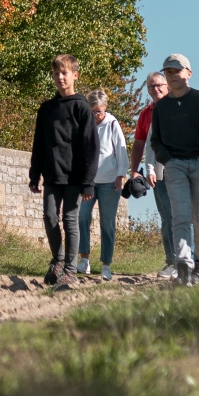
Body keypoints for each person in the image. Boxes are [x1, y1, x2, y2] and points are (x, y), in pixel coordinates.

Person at [149, 53, 199, 286]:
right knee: (179, 217)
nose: (173, 76)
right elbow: (156, 140)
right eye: (168, 73)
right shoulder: (161, 107)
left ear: (188, 73)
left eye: (177, 71)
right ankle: (183, 265)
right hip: (175, 167)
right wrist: (168, 160)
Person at [27, 54, 98, 288]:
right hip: (52, 174)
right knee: (49, 216)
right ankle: (57, 260)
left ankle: (70, 270)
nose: (60, 77)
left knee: (70, 219)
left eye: (64, 73)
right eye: (56, 73)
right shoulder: (47, 108)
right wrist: (34, 174)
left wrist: (88, 183)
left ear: (75, 75)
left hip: (75, 176)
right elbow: (39, 143)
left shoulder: (82, 108)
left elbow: (91, 148)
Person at [76, 88, 130, 280]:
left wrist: (121, 175)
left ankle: (106, 264)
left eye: (98, 111)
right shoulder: (84, 124)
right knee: (82, 217)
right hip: (89, 182)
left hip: (109, 182)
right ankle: (84, 260)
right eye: (92, 111)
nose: (96, 115)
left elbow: (121, 150)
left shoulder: (112, 124)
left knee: (107, 223)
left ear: (105, 107)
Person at [129, 70, 177, 279]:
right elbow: (140, 144)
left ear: (167, 85)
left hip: (182, 169)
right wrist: (135, 170)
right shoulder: (145, 114)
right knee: (167, 217)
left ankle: (191, 259)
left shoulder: (179, 105)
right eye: (151, 86)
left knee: (185, 216)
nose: (155, 89)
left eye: (159, 85)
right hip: (157, 173)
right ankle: (172, 261)